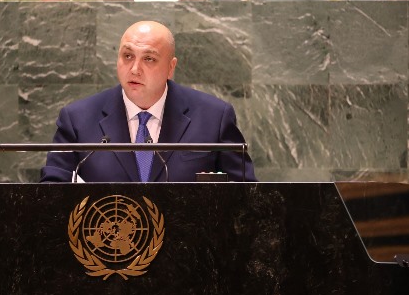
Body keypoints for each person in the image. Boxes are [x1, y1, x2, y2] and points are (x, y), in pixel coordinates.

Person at [40, 21, 257, 183]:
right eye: (127, 56)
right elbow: (51, 193)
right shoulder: (77, 120)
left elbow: (247, 194)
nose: (135, 69)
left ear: (170, 67)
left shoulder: (214, 117)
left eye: (149, 59)